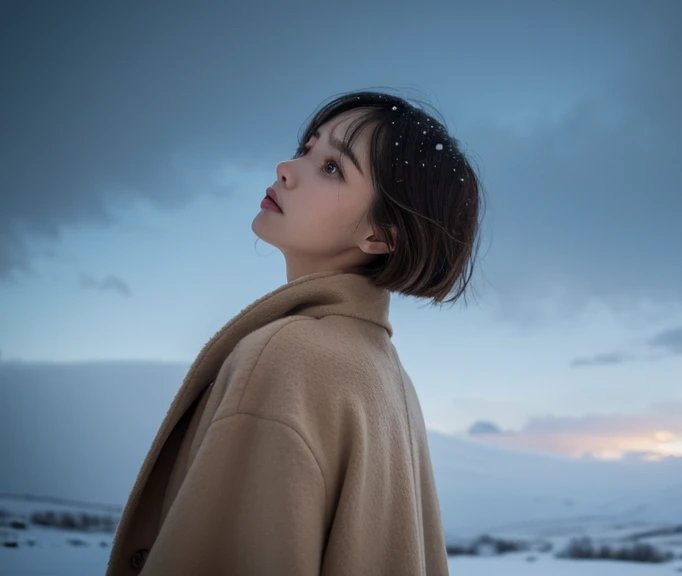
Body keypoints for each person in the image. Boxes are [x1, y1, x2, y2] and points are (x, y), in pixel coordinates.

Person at [105, 90, 482, 576]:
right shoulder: (390, 378)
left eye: (331, 168)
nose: (287, 167)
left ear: (380, 236)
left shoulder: (287, 357)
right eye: (307, 149)